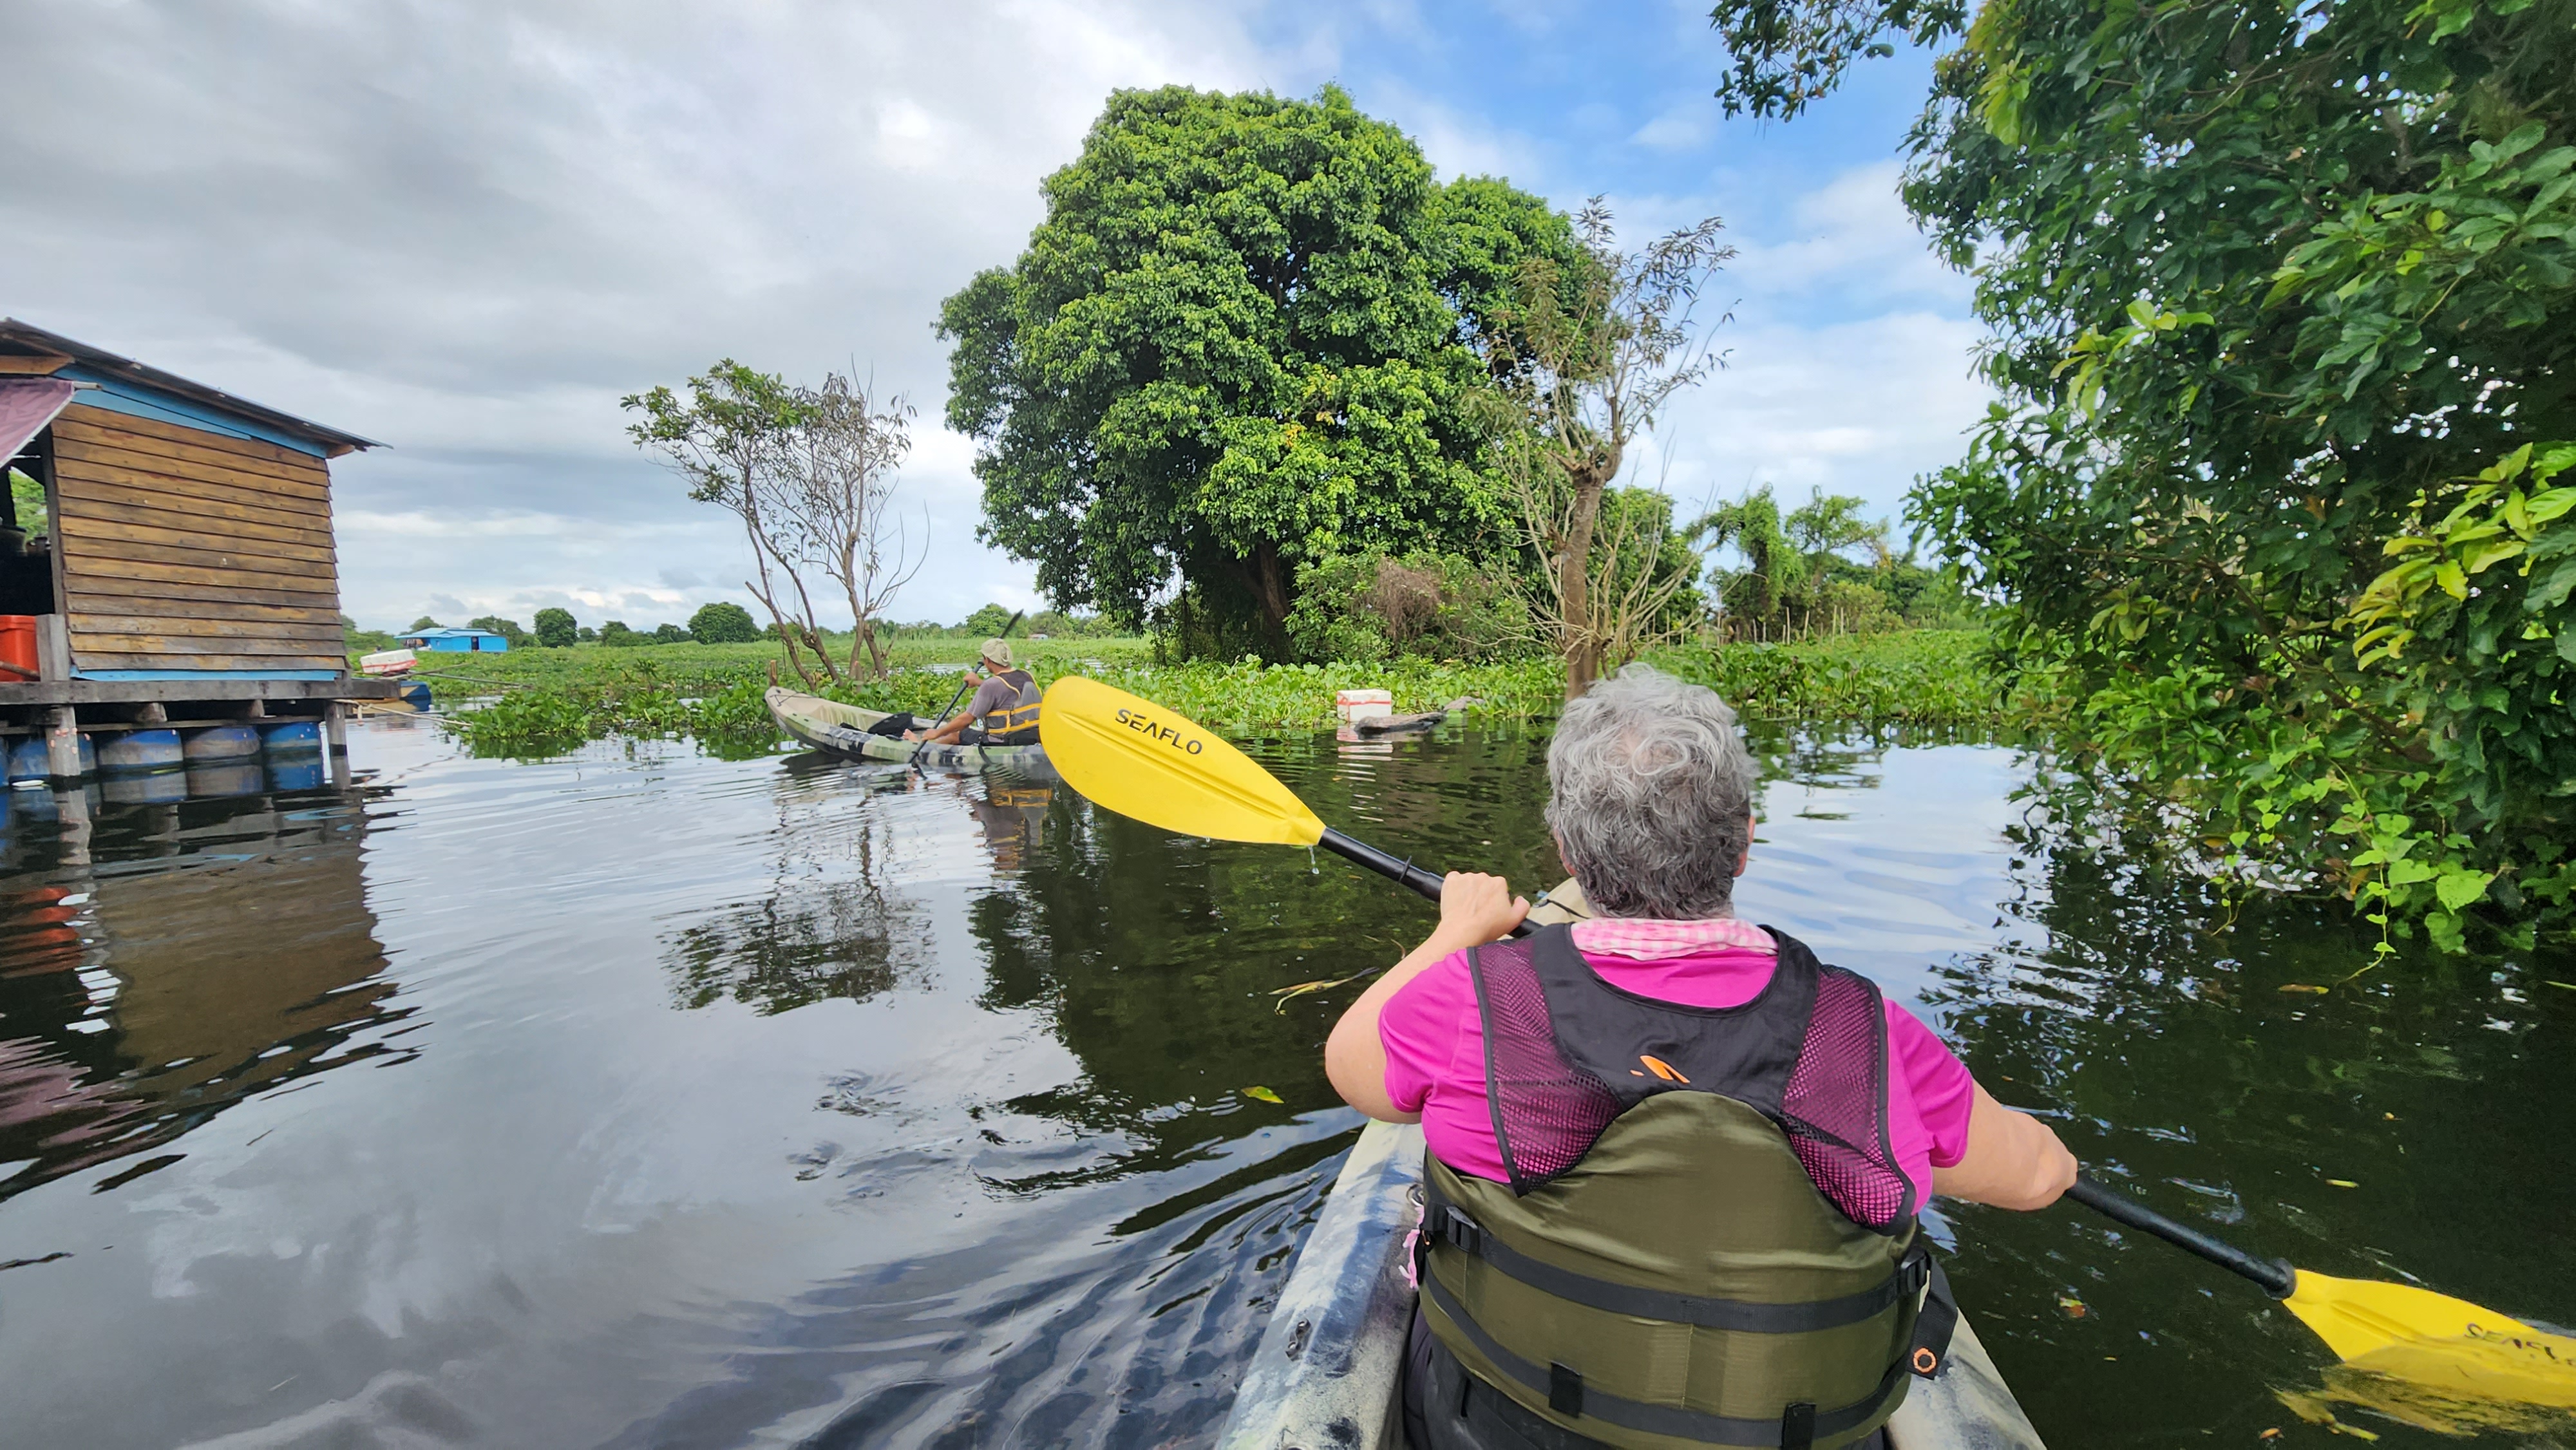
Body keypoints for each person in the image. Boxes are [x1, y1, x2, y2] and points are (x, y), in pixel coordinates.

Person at [1323, 664, 2076, 1450]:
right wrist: (1902, 1146)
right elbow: (2039, 1176)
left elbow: (1351, 1066)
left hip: (1500, 1422)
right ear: (1744, 839)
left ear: (1566, 848)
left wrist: (1457, 931)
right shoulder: (1867, 1031)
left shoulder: (1474, 1001)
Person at [904, 639, 1041, 747]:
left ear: (987, 660)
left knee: (957, 734)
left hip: (1001, 741)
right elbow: (1007, 693)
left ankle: (921, 745)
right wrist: (979, 683)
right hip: (1029, 738)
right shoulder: (1026, 675)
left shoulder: (991, 685)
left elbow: (966, 720)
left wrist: (937, 732)